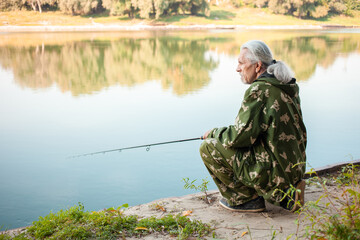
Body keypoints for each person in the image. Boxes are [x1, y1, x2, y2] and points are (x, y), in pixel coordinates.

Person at [200, 40, 307, 212]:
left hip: (278, 172)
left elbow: (239, 137)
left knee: (209, 147)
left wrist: (214, 132)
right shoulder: (285, 84)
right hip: (294, 169)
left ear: (257, 66)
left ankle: (246, 200)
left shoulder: (260, 90)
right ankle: (288, 190)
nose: (237, 68)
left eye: (241, 63)